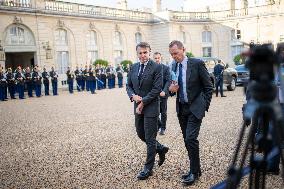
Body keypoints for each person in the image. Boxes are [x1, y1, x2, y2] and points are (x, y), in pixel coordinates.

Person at [168, 40, 213, 185]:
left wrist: (204, 105)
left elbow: (208, 87)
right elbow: (172, 87)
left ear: (183, 50)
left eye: (176, 53)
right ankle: (196, 169)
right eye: (172, 54)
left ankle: (194, 172)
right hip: (181, 109)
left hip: (195, 108)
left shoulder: (197, 63)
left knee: (190, 139)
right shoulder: (173, 66)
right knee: (187, 141)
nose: (174, 56)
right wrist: (171, 90)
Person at [126, 42, 169, 180]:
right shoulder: (133, 67)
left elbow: (157, 89)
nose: (143, 55)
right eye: (140, 53)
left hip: (151, 107)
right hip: (137, 106)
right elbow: (128, 85)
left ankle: (148, 168)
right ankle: (160, 148)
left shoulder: (157, 67)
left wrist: (143, 101)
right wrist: (132, 95)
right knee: (140, 133)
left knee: (150, 139)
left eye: (145, 52)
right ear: (137, 53)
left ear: (149, 52)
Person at [153, 52, 171, 135]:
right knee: (154, 111)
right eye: (155, 58)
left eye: (158, 58)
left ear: (161, 58)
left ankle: (163, 128)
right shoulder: (150, 69)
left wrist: (164, 91)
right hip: (154, 94)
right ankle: (159, 125)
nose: (157, 60)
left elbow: (168, 80)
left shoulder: (166, 68)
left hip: (163, 93)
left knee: (163, 112)